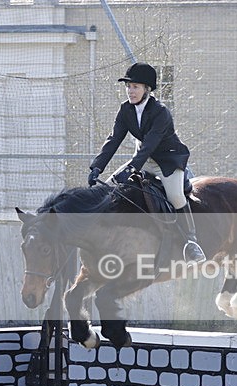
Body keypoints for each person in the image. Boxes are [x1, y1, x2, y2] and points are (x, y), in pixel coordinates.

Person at [87, 62, 206, 263]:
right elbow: (114, 139)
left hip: (167, 160)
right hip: (144, 159)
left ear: (146, 89)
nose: (130, 91)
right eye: (128, 87)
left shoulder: (161, 112)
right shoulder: (125, 110)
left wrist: (133, 167)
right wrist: (97, 166)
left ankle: (191, 242)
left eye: (135, 87)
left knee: (176, 196)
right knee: (108, 187)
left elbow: (149, 144)